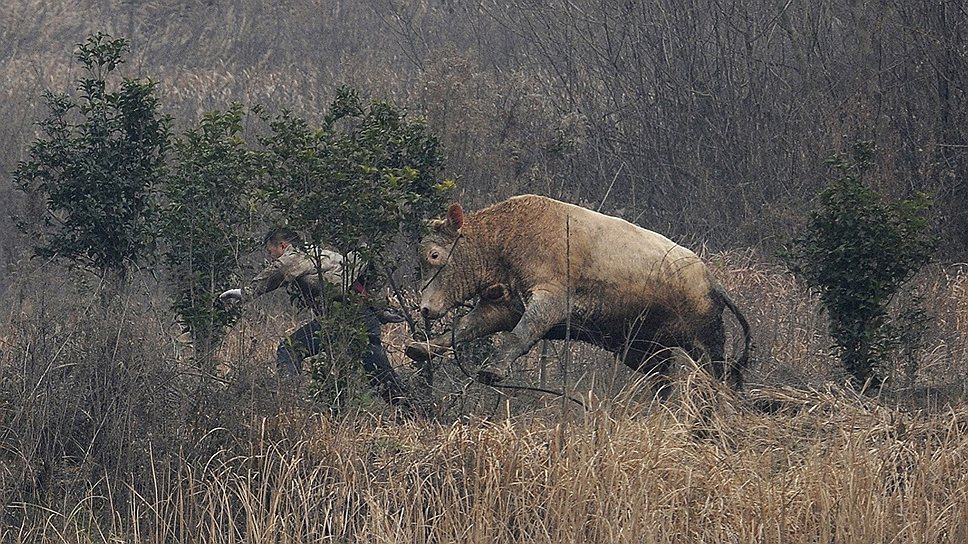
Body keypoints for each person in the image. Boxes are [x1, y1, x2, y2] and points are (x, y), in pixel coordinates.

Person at [219, 228, 410, 408]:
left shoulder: (296, 256)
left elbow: (278, 271)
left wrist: (245, 293)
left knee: (290, 349)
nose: (271, 257)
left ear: (283, 246)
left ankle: (288, 401)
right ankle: (409, 410)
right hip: (361, 315)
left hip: (345, 316)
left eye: (271, 252)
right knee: (377, 371)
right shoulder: (322, 255)